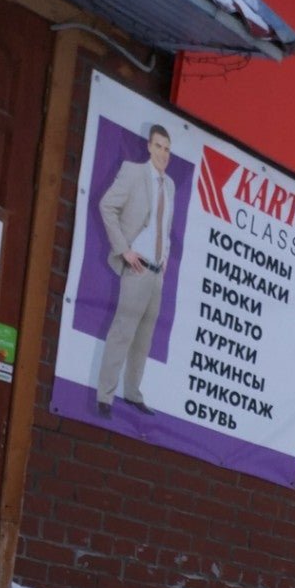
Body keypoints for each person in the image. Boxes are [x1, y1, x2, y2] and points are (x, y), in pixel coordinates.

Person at [95, 123, 176, 417]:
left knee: (144, 339)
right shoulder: (133, 172)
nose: (163, 153)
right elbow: (107, 206)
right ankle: (105, 396)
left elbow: (164, 228)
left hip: (156, 273)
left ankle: (131, 393)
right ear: (148, 147)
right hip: (137, 267)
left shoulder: (170, 186)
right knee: (122, 332)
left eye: (167, 148)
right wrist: (123, 249)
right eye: (159, 146)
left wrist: (165, 257)